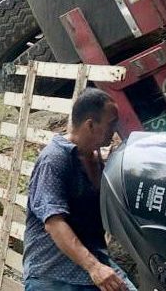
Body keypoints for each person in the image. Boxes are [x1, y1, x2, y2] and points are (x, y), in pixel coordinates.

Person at [23, 88, 136, 291]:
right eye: (111, 124)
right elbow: (53, 223)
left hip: (91, 266)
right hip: (53, 275)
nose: (115, 130)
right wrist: (94, 268)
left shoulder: (98, 160)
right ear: (90, 125)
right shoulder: (54, 159)